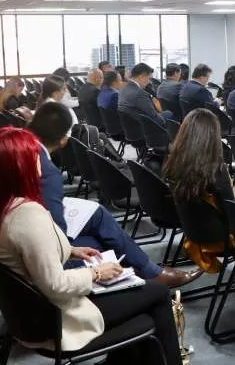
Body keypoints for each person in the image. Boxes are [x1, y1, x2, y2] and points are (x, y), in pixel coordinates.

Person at [0, 127, 183, 365]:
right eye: (35, 156)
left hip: (31, 313)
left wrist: (71, 250)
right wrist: (96, 273)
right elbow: (55, 285)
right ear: (19, 167)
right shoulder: (27, 215)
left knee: (137, 292)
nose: (42, 160)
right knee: (156, 292)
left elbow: (24, 249)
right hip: (58, 315)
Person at [28, 102, 203, 286]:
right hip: (43, 250)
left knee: (99, 222)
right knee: (101, 241)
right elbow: (57, 234)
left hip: (28, 232)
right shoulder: (46, 171)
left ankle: (145, 272)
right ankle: (148, 274)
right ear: (64, 140)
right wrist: (71, 250)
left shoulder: (22, 148)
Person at [163, 109, 235, 273]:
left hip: (193, 231)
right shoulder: (216, 171)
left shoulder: (173, 162)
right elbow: (232, 213)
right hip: (219, 238)